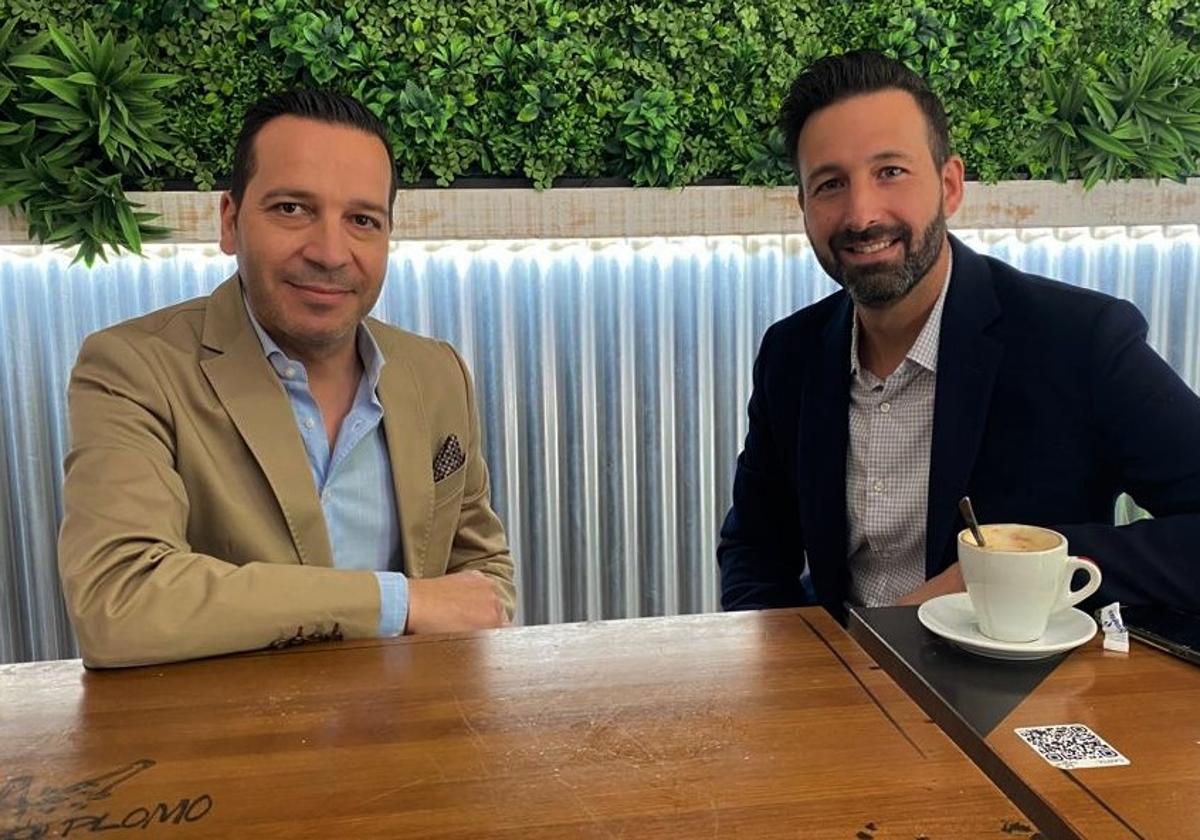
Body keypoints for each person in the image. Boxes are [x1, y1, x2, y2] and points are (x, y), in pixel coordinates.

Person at [718, 49, 1200, 621]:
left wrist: (1031, 566)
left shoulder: (1080, 341)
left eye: (890, 172)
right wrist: (794, 661)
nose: (861, 214)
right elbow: (754, 549)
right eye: (829, 184)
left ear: (949, 185)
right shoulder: (791, 353)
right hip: (843, 669)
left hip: (1018, 673)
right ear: (803, 206)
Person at [58, 90, 514, 667]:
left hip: (412, 718)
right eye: (292, 209)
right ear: (230, 222)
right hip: (229, 723)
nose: (330, 253)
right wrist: (399, 603)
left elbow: (481, 578)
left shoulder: (436, 372)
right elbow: (118, 602)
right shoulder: (134, 367)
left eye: (362, 220)